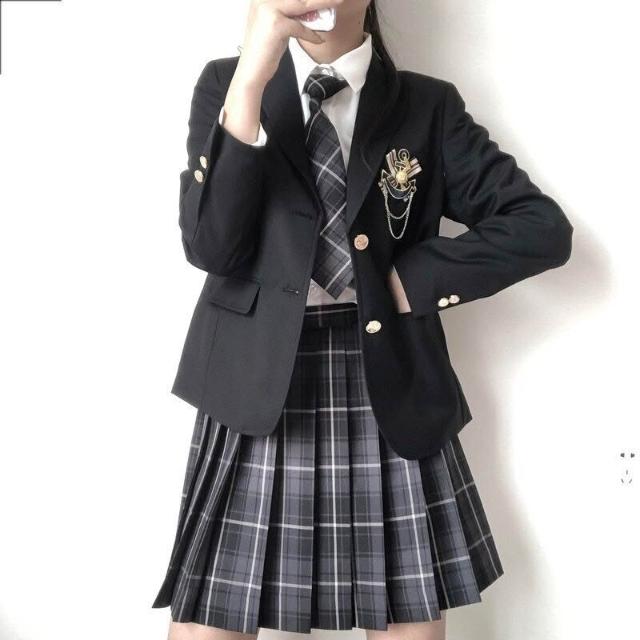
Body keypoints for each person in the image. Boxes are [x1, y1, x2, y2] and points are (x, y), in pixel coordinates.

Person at [152, 1, 574, 639]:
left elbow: (539, 228)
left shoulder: (427, 106)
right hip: (255, 379)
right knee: (211, 621)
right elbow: (211, 246)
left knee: (407, 617)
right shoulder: (228, 84)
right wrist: (252, 76)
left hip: (389, 380)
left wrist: (408, 281)